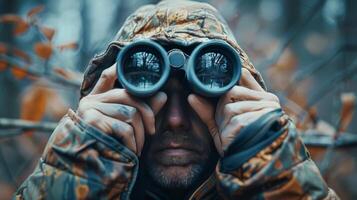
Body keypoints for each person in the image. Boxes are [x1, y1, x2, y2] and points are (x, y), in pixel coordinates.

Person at [15, 0, 339, 199]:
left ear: (235, 98)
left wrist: (273, 173)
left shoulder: (273, 179)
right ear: (114, 96)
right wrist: (77, 175)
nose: (175, 119)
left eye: (198, 96)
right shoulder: (82, 172)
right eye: (153, 95)